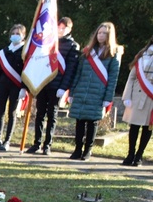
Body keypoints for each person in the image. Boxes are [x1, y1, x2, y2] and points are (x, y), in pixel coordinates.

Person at [68, 21, 121, 161]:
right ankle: (77, 149)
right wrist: (72, 92)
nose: (101, 35)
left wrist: (107, 98)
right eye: (99, 32)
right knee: (79, 121)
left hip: (98, 93)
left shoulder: (113, 54)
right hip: (81, 91)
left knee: (92, 122)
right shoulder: (87, 52)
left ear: (109, 35)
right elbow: (78, 73)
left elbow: (113, 79)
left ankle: (87, 151)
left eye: (104, 33)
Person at [27, 17, 80, 155]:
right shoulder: (48, 42)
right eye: (59, 27)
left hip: (57, 86)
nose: (60, 30)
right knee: (39, 114)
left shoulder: (73, 46)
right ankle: (36, 143)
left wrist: (64, 87)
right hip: (44, 83)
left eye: (64, 28)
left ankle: (47, 145)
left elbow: (70, 70)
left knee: (52, 115)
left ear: (69, 29)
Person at [0, 24, 27, 151]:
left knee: (12, 113)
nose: (15, 36)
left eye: (18, 33)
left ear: (23, 36)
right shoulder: (4, 52)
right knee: (1, 112)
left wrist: (24, 88)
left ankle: (7, 141)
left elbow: (26, 71)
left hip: (16, 86)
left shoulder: (25, 52)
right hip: (2, 85)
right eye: (13, 33)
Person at [121, 36, 153, 166]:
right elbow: (132, 77)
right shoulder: (142, 55)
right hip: (137, 94)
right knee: (134, 126)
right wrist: (127, 96)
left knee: (148, 127)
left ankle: (139, 155)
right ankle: (130, 154)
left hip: (151, 97)